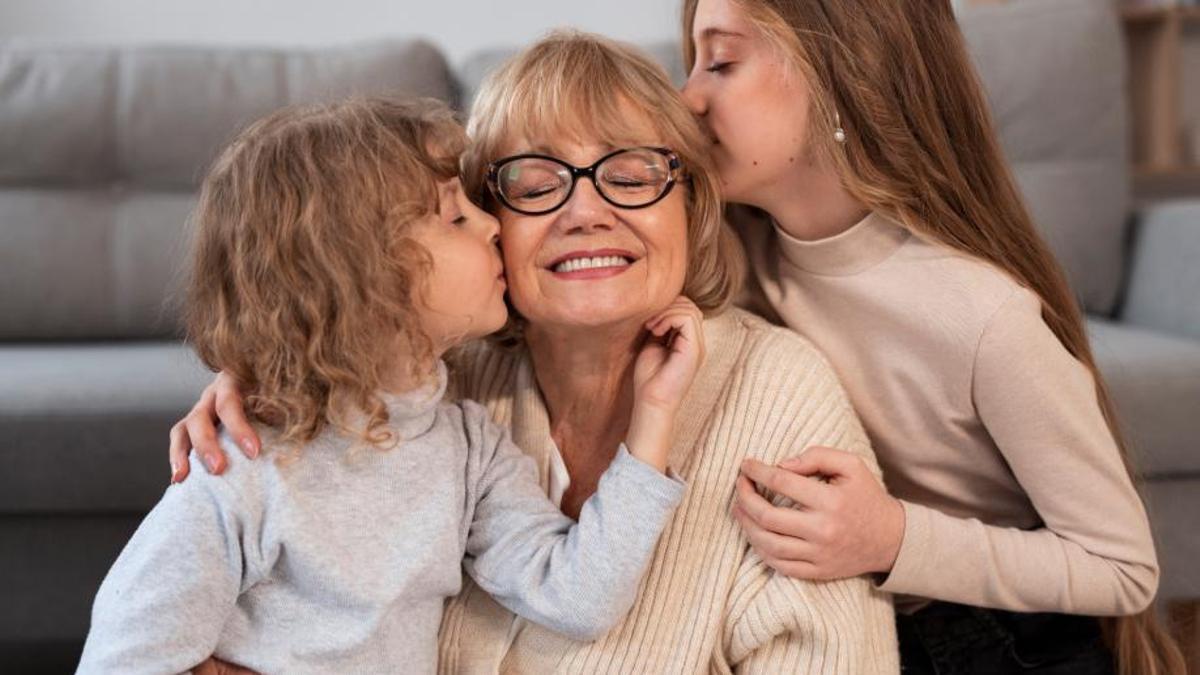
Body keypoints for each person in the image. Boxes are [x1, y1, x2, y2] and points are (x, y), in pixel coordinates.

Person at [170, 32, 900, 673]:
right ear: (486, 223)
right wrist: (263, 379)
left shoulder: (778, 391)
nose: (586, 212)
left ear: (692, 202)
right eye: (533, 181)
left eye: (634, 171)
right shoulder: (433, 381)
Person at [77, 97, 700, 674]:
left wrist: (653, 417)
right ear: (364, 277)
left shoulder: (468, 449)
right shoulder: (243, 467)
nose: (492, 226)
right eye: (456, 215)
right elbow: (122, 658)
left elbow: (578, 598)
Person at [679, 0, 1184, 673]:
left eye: (720, 61)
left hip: (1001, 644)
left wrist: (892, 537)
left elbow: (1121, 567)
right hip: (842, 627)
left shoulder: (981, 314)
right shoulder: (731, 262)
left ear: (839, 74)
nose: (686, 98)